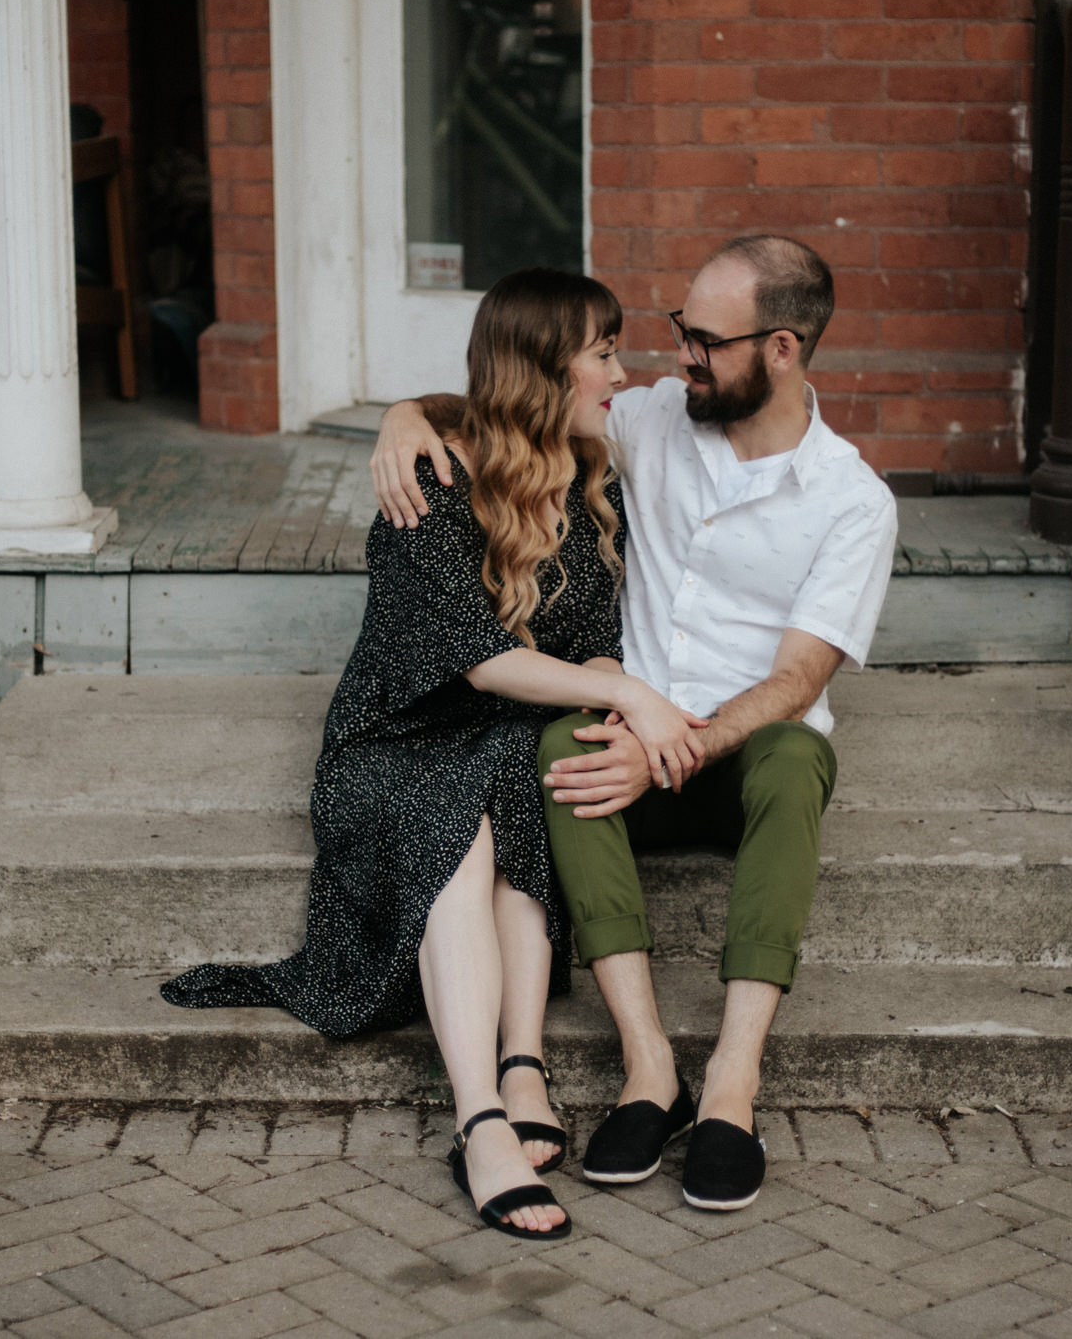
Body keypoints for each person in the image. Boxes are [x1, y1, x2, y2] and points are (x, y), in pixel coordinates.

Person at [163, 268, 709, 1239]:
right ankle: (481, 1117)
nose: (620, 375)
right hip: (396, 741)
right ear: (544, 369)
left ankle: (523, 1058)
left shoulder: (590, 480)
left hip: (493, 737)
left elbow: (586, 637)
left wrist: (608, 682)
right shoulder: (429, 482)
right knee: (453, 819)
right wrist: (626, 691)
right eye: (602, 354)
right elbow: (484, 660)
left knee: (515, 775)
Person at [372, 235, 899, 1211]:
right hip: (627, 744)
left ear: (779, 348)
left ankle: (732, 1085)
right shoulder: (654, 418)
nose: (676, 357)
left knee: (797, 756)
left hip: (736, 755)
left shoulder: (851, 501)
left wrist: (680, 737)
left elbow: (796, 678)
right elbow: (517, 396)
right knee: (564, 742)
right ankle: (649, 1066)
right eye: (677, 332)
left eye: (703, 340)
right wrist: (406, 415)